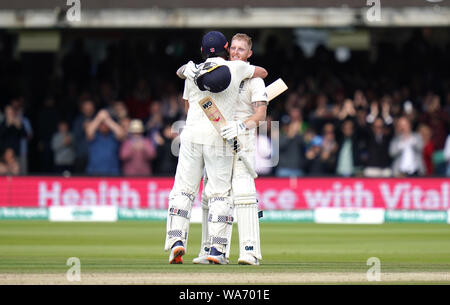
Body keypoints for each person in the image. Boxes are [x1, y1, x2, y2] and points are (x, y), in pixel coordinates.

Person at [165, 31, 267, 265]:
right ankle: (215, 249)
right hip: (218, 138)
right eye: (234, 49)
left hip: (198, 136)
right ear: (226, 47)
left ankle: (177, 241)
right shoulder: (236, 69)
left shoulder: (193, 71)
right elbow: (263, 71)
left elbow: (188, 105)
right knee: (218, 193)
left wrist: (184, 69)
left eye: (241, 50)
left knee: (185, 190)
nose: (236, 53)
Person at [85, 109, 126, 176]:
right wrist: (98, 118)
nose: (104, 126)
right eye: (101, 124)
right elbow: (88, 132)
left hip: (112, 172)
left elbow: (121, 134)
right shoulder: (95, 136)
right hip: (94, 172)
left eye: (105, 124)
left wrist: (107, 119)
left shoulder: (113, 136)